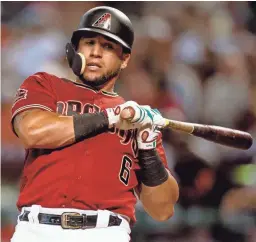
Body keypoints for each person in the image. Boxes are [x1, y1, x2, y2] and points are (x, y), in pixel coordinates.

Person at [10, 6, 179, 242]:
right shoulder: (44, 85)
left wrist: (148, 148)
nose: (96, 53)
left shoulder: (137, 120)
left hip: (106, 232)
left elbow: (163, 209)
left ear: (125, 59)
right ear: (76, 48)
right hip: (38, 230)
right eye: (89, 42)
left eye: (108, 46)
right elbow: (32, 131)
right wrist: (110, 117)